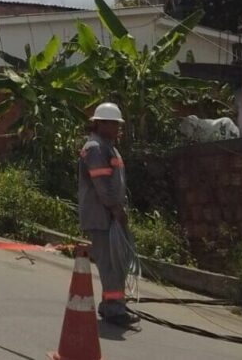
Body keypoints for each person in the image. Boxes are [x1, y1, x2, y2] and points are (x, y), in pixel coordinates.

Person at [78, 101, 137, 326]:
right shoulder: (95, 148)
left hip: (110, 216)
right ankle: (114, 309)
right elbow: (102, 184)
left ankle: (112, 305)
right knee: (111, 265)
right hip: (102, 217)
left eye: (117, 124)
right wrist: (116, 209)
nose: (117, 128)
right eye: (113, 124)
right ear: (100, 124)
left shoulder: (108, 147)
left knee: (118, 262)